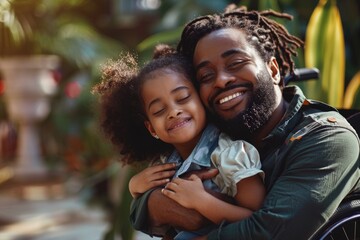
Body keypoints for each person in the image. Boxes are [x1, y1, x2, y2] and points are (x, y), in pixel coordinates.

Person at [129, 4, 360, 240]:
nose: (221, 80)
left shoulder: (327, 139)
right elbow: (150, 203)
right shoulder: (217, 138)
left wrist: (195, 210)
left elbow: (269, 233)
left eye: (236, 63)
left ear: (273, 70)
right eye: (206, 76)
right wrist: (151, 201)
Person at [92, 44, 266, 239]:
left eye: (182, 98)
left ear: (202, 100)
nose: (174, 112)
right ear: (151, 129)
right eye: (159, 111)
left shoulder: (230, 153)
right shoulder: (164, 165)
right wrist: (135, 187)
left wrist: (201, 201)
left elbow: (258, 220)